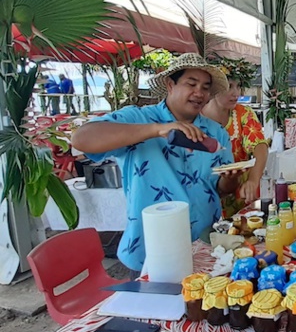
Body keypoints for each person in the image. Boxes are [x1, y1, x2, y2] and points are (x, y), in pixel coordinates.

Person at [72, 53, 239, 275]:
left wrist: (232, 178)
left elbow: (220, 190)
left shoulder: (215, 132)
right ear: (170, 85)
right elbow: (82, 139)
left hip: (204, 246)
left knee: (206, 308)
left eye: (205, 87)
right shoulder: (138, 119)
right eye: (191, 84)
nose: (199, 93)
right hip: (150, 250)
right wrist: (157, 130)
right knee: (154, 309)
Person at [202, 72, 268, 217]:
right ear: (214, 88)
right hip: (207, 199)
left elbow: (260, 146)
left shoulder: (243, 113)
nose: (235, 93)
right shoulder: (197, 119)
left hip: (242, 194)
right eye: (229, 86)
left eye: (238, 86)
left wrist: (253, 180)